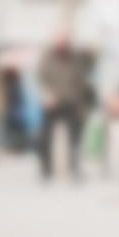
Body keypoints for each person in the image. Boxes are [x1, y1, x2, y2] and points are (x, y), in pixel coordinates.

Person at [37, 32, 91, 180]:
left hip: (71, 102)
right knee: (45, 137)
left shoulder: (75, 58)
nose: (64, 45)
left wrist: (81, 104)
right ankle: (46, 169)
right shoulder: (48, 57)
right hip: (52, 102)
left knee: (75, 138)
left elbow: (81, 81)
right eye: (61, 42)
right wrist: (47, 94)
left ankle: (74, 168)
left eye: (66, 42)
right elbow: (41, 77)